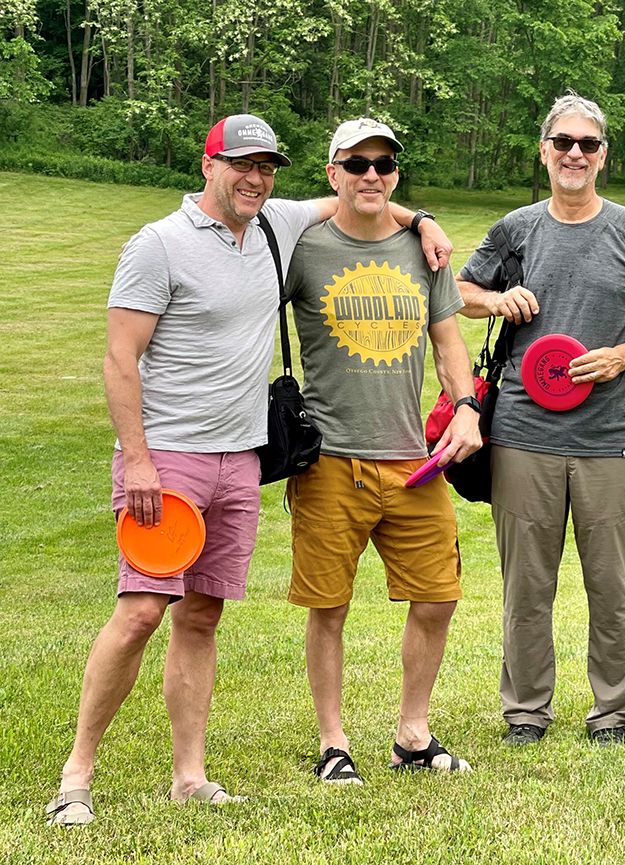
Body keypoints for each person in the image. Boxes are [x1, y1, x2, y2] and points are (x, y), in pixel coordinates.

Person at [45, 114, 454, 826]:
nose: (255, 178)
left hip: (240, 460)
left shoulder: (274, 226)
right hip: (167, 458)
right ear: (208, 165)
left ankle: (189, 776)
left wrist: (423, 219)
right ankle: (76, 776)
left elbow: (360, 194)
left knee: (201, 616)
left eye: (266, 166)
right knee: (142, 610)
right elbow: (119, 358)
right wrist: (136, 458)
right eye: (241, 164)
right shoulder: (159, 244)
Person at [457, 94, 625, 747]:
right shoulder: (516, 229)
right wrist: (498, 299)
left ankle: (611, 711)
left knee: (613, 585)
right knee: (526, 584)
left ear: (603, 155)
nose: (575, 154)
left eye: (588, 144)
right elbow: (461, 292)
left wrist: (622, 355)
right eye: (563, 142)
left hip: (613, 442)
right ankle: (526, 711)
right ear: (545, 151)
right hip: (523, 437)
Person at [284, 118, 481, 784]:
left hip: (410, 459)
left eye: (385, 163)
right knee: (329, 605)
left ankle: (412, 734)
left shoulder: (423, 251)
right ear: (332, 171)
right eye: (357, 162)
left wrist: (466, 407)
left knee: (439, 595)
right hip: (330, 459)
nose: (372, 173)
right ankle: (333, 743)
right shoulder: (303, 248)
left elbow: (450, 341)